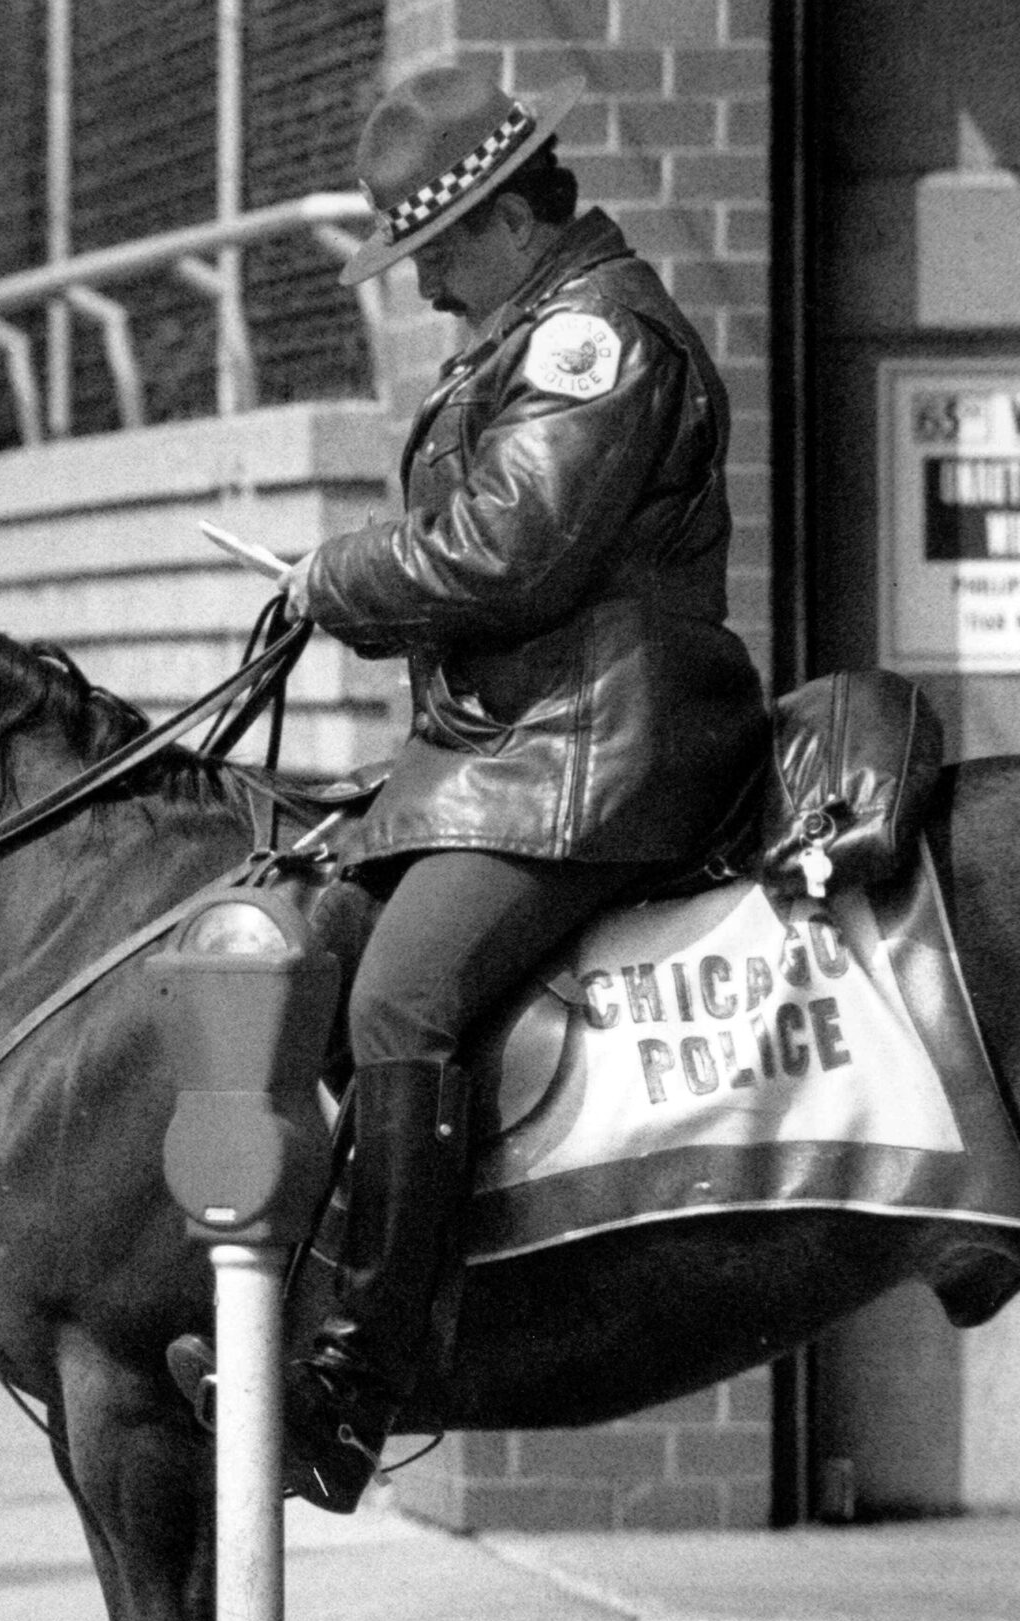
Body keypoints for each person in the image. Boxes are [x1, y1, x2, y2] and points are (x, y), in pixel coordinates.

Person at [167, 66, 770, 1512]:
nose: (425, 288)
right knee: (303, 945)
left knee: (399, 999)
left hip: (591, 766)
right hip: (515, 758)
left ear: (503, 219)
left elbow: (508, 551)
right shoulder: (538, 327)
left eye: (431, 250)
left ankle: (355, 1389)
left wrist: (333, 575)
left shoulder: (593, 341)